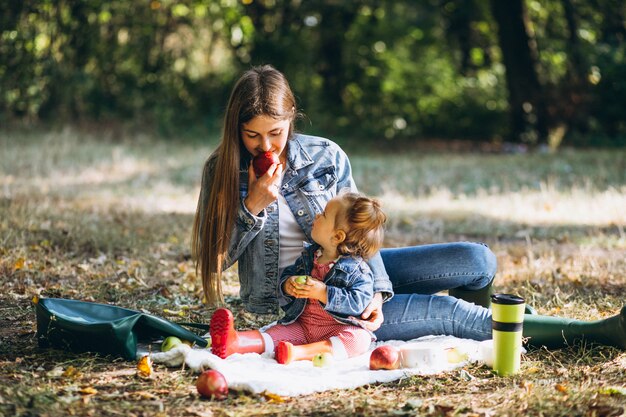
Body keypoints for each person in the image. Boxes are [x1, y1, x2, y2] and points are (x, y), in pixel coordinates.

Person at [192, 64, 626, 351]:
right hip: (302, 303)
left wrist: (377, 293)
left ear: (291, 120)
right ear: (237, 129)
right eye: (253, 135)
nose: (265, 146)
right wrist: (252, 206)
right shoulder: (223, 171)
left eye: (276, 133)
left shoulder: (326, 156)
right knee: (450, 314)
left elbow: (360, 237)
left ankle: (489, 332)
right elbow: (215, 259)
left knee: (477, 259)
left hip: (351, 273)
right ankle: (592, 332)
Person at [209, 191, 386, 364]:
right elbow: (288, 274)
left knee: (359, 339)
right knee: (274, 334)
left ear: (337, 236)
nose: (317, 215)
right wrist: (288, 285)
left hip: (336, 328)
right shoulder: (310, 255)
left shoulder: (357, 269)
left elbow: (359, 302)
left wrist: (324, 293)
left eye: (324, 215)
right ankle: (236, 341)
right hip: (302, 325)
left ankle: (298, 352)